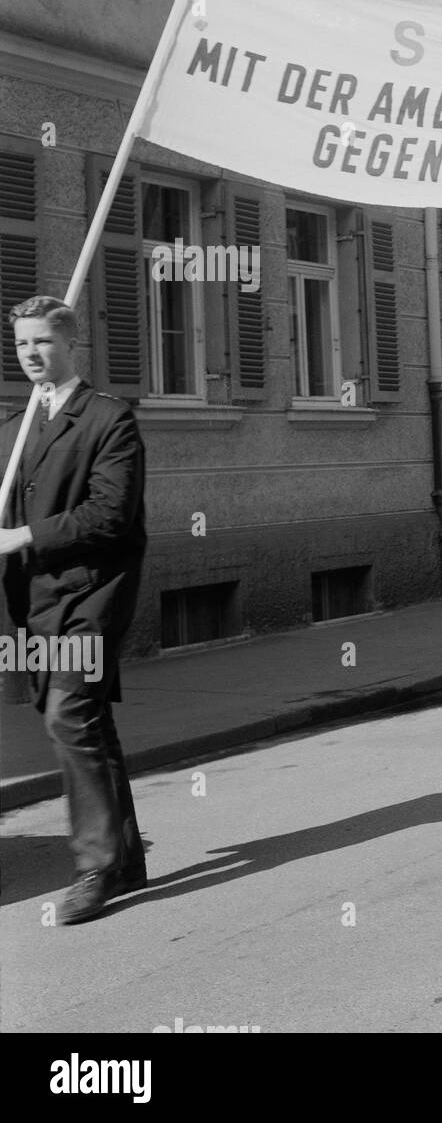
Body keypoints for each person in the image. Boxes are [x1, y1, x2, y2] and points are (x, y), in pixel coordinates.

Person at [0, 297, 148, 924]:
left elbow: (110, 514)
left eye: (44, 342)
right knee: (85, 722)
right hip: (32, 602)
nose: (32, 354)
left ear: (70, 344)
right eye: (22, 344)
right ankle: (127, 855)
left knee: (68, 715)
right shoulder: (13, 429)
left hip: (91, 593)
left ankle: (95, 867)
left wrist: (23, 537)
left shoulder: (110, 419)